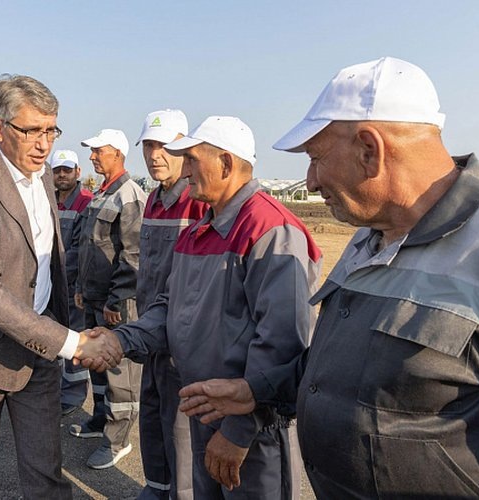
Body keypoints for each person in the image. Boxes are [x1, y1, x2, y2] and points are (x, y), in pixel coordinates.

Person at [179, 57, 479, 499]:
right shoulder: (367, 238)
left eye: (317, 158)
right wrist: (255, 391)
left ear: (369, 149)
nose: (311, 181)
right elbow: (336, 365)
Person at [89, 116, 322, 498]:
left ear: (226, 164)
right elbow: (170, 308)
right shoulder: (199, 232)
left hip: (250, 427)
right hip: (203, 412)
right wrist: (120, 340)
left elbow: (282, 344)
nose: (186, 170)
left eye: (193, 160)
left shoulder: (270, 229)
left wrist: (238, 430)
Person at [0, 74, 121, 499]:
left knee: (46, 477)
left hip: (37, 357)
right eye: (31, 130)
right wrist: (72, 343)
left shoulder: (44, 177)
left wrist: (60, 331)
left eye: (50, 130)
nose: (43, 144)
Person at [134, 109, 208, 500]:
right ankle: (156, 486)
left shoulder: (198, 199)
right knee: (151, 413)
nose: (155, 154)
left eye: (163, 146)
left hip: (182, 336)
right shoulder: (153, 199)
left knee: (180, 428)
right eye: (148, 145)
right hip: (151, 329)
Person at [71, 128, 147, 470]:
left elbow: (132, 254)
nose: (91, 156)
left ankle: (118, 440)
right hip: (94, 297)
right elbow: (91, 247)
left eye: (97, 151)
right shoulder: (102, 193)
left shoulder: (129, 195)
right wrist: (82, 290)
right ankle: (100, 419)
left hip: (116, 304)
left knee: (120, 370)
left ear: (116, 153)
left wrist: (116, 300)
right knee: (96, 364)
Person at [51, 149, 94, 415]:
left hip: (73, 284)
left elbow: (81, 249)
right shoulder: (48, 200)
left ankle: (74, 396)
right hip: (51, 285)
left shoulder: (86, 202)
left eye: (67, 169)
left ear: (78, 172)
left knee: (75, 342)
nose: (62, 174)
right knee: (54, 340)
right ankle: (55, 390)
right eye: (57, 170)